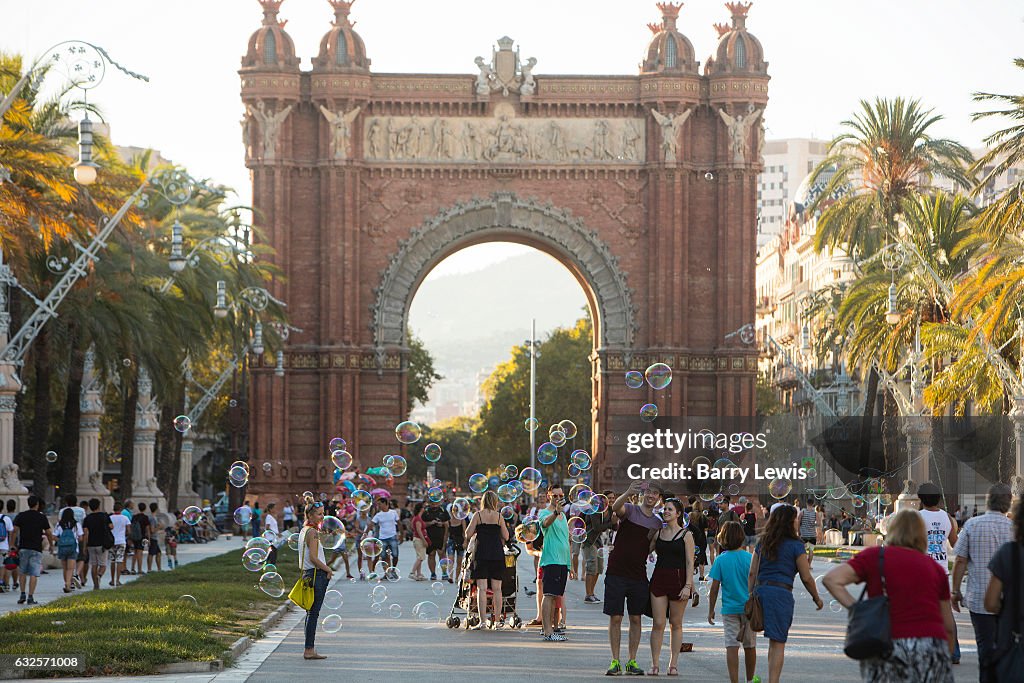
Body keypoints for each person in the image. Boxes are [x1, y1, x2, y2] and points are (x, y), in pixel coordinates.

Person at [824, 509, 956, 682]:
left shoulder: (875, 557)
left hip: (887, 644)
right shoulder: (935, 568)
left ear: (891, 531)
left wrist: (858, 609)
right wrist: (946, 656)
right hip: (931, 646)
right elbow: (948, 626)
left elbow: (832, 579)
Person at [748, 504, 823, 683]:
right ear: (790, 522)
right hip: (781, 594)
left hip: (761, 592)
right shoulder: (796, 545)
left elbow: (752, 572)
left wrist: (751, 594)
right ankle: (773, 681)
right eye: (796, 519)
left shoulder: (763, 541)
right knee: (777, 641)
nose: (797, 522)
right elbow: (806, 577)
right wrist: (816, 598)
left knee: (772, 642)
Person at [950, 483, 1012, 681]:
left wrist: (955, 591)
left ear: (987, 502)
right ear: (1008, 503)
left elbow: (960, 560)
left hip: (980, 599)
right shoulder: (1015, 528)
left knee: (985, 649)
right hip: (1009, 602)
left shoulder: (972, 525)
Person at [604, 480, 663, 676]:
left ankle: (632, 661)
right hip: (616, 571)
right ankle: (615, 661)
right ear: (643, 494)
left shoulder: (656, 523)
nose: (651, 496)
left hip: (638, 573)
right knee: (616, 618)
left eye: (655, 494)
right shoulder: (629, 509)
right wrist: (628, 490)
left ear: (658, 499)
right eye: (649, 492)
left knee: (636, 618)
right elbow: (615, 507)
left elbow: (651, 545)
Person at [647, 497, 695, 676]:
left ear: (678, 513)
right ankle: (654, 664)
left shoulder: (686, 535)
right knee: (658, 623)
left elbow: (690, 562)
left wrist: (688, 586)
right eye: (664, 509)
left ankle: (673, 663)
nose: (666, 512)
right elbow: (644, 550)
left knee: (676, 623)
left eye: (669, 509)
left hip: (679, 580)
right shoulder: (658, 533)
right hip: (659, 578)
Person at [709, 520, 756, 683]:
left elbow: (714, 588)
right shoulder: (750, 558)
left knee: (731, 646)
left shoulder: (720, 560)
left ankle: (734, 681)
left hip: (729, 609)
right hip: (749, 608)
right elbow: (757, 582)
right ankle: (749, 680)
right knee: (750, 646)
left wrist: (711, 609)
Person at [918, 482, 960, 664]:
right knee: (946, 613)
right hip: (942, 571)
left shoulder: (917, 517)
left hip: (923, 571)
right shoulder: (947, 518)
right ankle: (954, 652)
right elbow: (955, 543)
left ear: (921, 499)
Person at [465, 490, 510, 629]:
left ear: (483, 501)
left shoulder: (477, 515)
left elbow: (467, 534)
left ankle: (483, 621)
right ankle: (497, 622)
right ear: (495, 502)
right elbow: (507, 536)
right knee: (497, 589)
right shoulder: (499, 517)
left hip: (481, 554)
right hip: (496, 554)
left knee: (482, 589)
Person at [299, 502, 333, 660]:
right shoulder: (312, 532)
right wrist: (327, 569)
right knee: (313, 614)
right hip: (316, 575)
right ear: (310, 516)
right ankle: (309, 650)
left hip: (308, 574)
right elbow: (313, 558)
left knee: (310, 613)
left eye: (323, 513)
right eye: (319, 514)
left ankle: (309, 648)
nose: (322, 516)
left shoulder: (304, 530)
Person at [538, 485, 573, 642]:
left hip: (562, 561)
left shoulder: (563, 516)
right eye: (555, 496)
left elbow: (566, 540)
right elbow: (545, 524)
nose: (558, 499)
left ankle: (551, 628)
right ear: (549, 496)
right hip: (551, 559)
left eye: (561, 496)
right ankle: (547, 631)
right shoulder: (545, 513)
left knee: (555, 596)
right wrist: (556, 511)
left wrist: (569, 564)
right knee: (549, 595)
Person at [11, 495, 54, 605]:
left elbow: (14, 531)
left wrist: (12, 544)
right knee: (34, 573)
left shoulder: (21, 516)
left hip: (23, 547)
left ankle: (22, 594)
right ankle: (30, 597)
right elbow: (49, 532)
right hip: (36, 548)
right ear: (37, 505)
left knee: (23, 572)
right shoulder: (41, 517)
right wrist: (51, 545)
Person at [583, 496, 615, 603]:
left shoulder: (610, 511)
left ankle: (592, 593)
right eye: (608, 498)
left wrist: (615, 521)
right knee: (591, 567)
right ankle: (588, 595)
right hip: (589, 540)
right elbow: (597, 527)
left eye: (612, 498)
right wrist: (611, 523)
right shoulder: (594, 511)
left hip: (598, 541)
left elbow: (615, 527)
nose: (610, 500)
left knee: (598, 568)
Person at [81, 498, 112, 590]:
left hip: (91, 544)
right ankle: (99, 575)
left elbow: (86, 533)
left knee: (94, 565)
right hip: (102, 544)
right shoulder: (104, 516)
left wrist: (84, 546)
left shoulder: (87, 518)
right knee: (103, 565)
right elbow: (111, 526)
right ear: (99, 506)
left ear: (90, 507)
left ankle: (95, 585)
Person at [55, 508, 82, 593]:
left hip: (62, 548)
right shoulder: (76, 524)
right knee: (70, 568)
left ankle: (66, 584)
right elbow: (81, 537)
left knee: (65, 568)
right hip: (73, 548)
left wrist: (60, 541)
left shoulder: (59, 524)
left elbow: (54, 536)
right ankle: (68, 584)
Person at [421, 499, 450, 581]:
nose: (434, 504)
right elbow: (422, 524)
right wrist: (431, 523)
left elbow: (447, 524)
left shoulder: (443, 510)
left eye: (436, 502)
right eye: (433, 503)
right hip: (429, 537)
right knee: (431, 555)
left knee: (442, 555)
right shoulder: (426, 511)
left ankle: (444, 573)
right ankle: (433, 574)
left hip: (441, 537)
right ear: (430, 503)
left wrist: (442, 524)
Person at [371, 497, 401, 569]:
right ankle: (386, 572)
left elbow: (399, 523)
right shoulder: (378, 515)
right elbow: (371, 524)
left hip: (392, 536)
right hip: (382, 538)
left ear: (385, 503)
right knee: (383, 556)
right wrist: (365, 533)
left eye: (379, 504)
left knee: (395, 555)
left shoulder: (393, 512)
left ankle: (393, 569)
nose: (378, 506)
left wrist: (401, 535)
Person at [109, 501, 130, 586]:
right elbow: (129, 531)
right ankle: (118, 580)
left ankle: (112, 580)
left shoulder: (110, 518)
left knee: (112, 561)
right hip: (121, 541)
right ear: (121, 509)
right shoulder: (125, 518)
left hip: (112, 542)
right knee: (120, 561)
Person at [447, 502, 467, 585]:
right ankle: (450, 577)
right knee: (450, 560)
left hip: (460, 541)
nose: (454, 512)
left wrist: (465, 542)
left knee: (459, 561)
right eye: (453, 510)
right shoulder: (448, 521)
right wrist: (445, 543)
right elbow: (447, 533)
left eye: (455, 510)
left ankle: (456, 578)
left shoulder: (462, 520)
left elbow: (464, 532)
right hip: (451, 541)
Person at [410, 503, 429, 581]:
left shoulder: (416, 518)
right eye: (423, 508)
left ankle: (419, 574)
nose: (424, 509)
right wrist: (424, 540)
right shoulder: (418, 519)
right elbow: (418, 530)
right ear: (421, 509)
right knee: (421, 557)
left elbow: (412, 527)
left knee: (419, 556)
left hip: (417, 539)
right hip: (419, 539)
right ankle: (412, 572)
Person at [129, 502, 150, 575]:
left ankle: (132, 568)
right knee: (140, 553)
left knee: (135, 552)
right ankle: (139, 569)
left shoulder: (134, 516)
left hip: (134, 537)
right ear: (145, 508)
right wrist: (149, 539)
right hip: (142, 537)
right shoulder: (145, 517)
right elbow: (147, 529)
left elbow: (131, 526)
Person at [798, 498, 818, 567]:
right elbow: (818, 523)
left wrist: (798, 531)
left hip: (804, 534)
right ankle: (809, 565)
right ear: (813, 504)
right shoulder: (815, 513)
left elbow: (798, 521)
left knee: (803, 550)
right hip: (812, 534)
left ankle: (804, 565)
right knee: (811, 550)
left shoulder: (802, 511)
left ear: (806, 503)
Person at [0, 498, 13, 592]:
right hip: (3, 546)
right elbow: (11, 531)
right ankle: (1, 582)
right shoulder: (6, 518)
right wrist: (11, 544)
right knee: (3, 565)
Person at [146, 502, 163, 572]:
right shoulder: (152, 518)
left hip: (154, 538)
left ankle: (159, 569)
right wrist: (159, 527)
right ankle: (149, 569)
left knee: (158, 553)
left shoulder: (152, 517)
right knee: (151, 554)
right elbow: (152, 530)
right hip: (153, 538)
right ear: (156, 509)